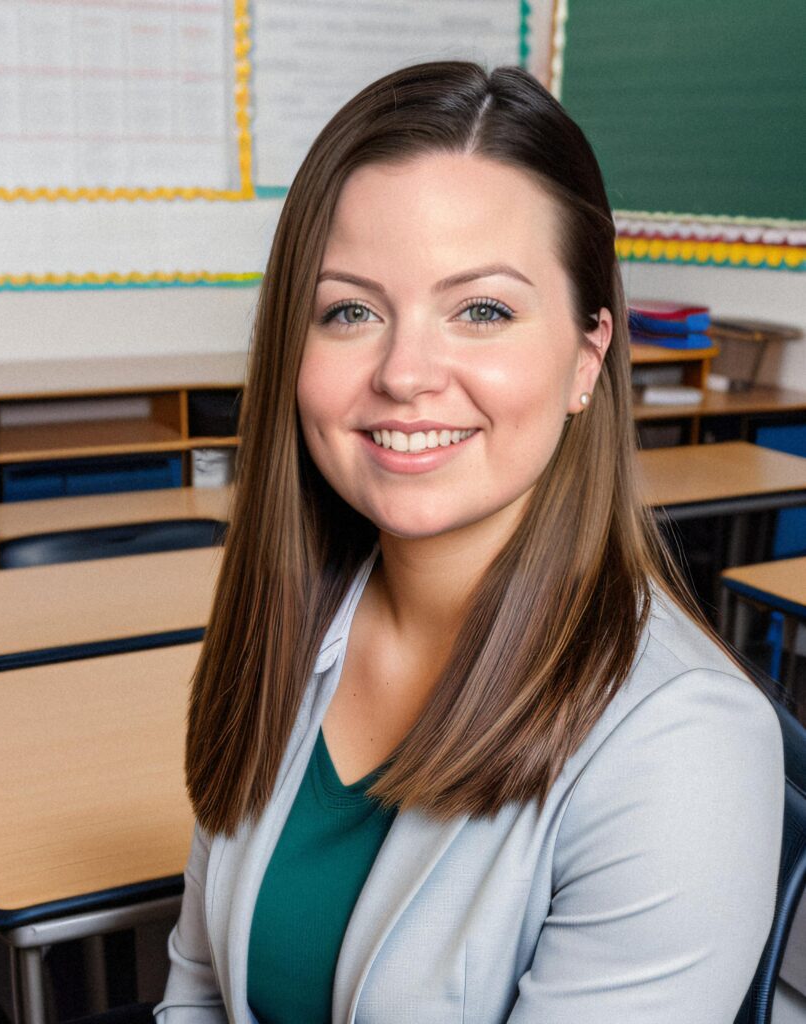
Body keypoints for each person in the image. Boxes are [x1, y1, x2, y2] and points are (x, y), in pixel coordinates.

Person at [155, 61, 783, 1024]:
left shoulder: (680, 746)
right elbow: (197, 992)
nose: (406, 374)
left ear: (585, 357)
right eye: (349, 311)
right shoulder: (289, 621)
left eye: (482, 310)